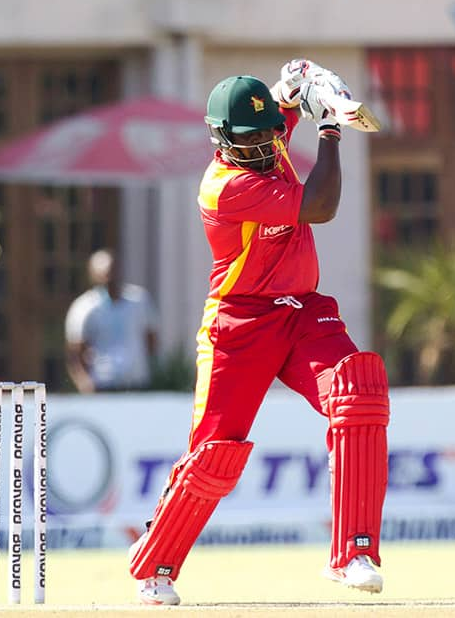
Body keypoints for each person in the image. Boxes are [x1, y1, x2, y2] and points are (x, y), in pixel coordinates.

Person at [127, 61, 390, 604]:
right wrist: (332, 129)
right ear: (221, 139)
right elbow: (321, 205)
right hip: (239, 322)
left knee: (358, 394)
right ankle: (157, 569)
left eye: (268, 132)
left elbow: (284, 100)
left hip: (303, 312)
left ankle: (354, 551)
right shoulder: (226, 186)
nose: (261, 146)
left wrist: (299, 83)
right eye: (245, 139)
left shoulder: (268, 133)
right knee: (214, 451)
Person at [65, 248, 159, 393]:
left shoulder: (139, 300)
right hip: (102, 387)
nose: (109, 278)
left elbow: (151, 339)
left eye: (112, 272)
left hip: (136, 384)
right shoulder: (83, 307)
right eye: (104, 274)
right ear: (93, 275)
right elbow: (75, 352)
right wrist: (83, 382)